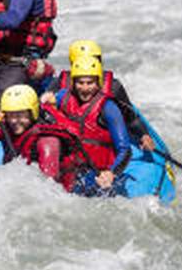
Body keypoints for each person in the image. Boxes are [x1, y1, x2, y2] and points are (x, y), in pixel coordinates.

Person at [41, 39, 155, 151]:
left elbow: (130, 117)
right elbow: (44, 110)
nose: (87, 66)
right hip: (69, 143)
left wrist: (143, 135)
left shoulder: (113, 87)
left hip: (102, 143)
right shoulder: (59, 84)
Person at [48, 56, 132, 197]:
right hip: (68, 169)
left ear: (98, 83)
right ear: (73, 83)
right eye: (80, 83)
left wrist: (111, 173)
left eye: (90, 83)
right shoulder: (63, 97)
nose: (85, 88)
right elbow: (41, 109)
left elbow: (125, 149)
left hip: (97, 173)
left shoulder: (108, 107)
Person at [0, 84, 78, 185]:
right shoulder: (7, 127)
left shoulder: (47, 141)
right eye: (10, 115)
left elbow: (49, 183)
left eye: (20, 115)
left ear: (33, 113)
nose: (14, 121)